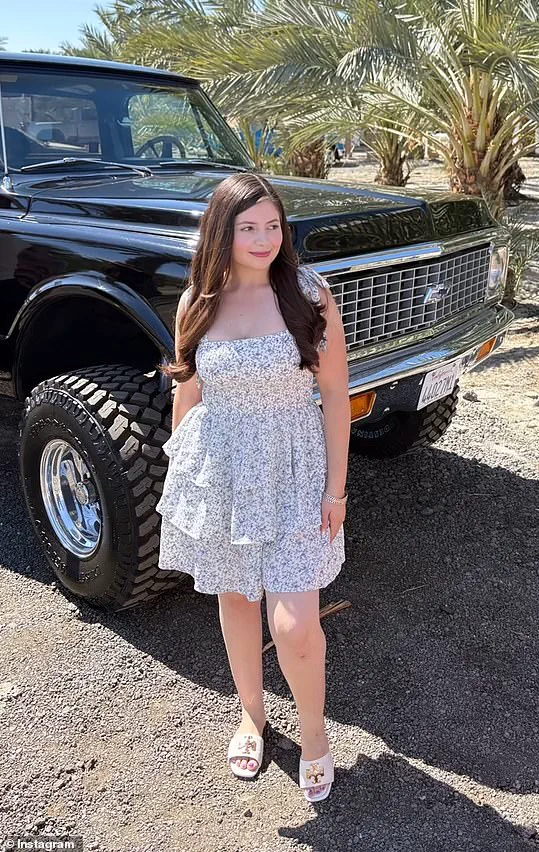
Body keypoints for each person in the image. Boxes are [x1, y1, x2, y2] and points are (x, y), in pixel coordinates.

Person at [156, 172, 350, 803]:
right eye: (248, 228)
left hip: (295, 470)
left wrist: (337, 490)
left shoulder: (308, 294)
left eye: (273, 226)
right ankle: (251, 715)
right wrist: (182, 479)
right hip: (223, 474)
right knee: (236, 601)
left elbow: (334, 395)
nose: (265, 239)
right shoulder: (197, 301)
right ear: (222, 232)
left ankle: (315, 733)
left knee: (294, 625)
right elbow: (189, 392)